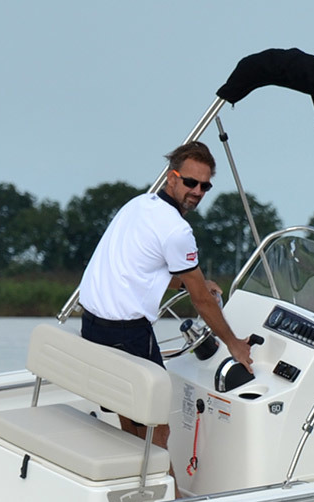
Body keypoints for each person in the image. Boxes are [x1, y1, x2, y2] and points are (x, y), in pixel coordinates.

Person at [76, 140, 254, 447]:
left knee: (129, 416)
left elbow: (139, 270)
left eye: (205, 186)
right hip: (127, 333)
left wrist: (186, 282)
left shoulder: (139, 205)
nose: (197, 191)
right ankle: (167, 494)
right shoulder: (177, 231)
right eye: (190, 182)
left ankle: (138, 485)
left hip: (92, 326)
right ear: (172, 178)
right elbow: (202, 301)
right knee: (158, 429)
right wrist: (235, 344)